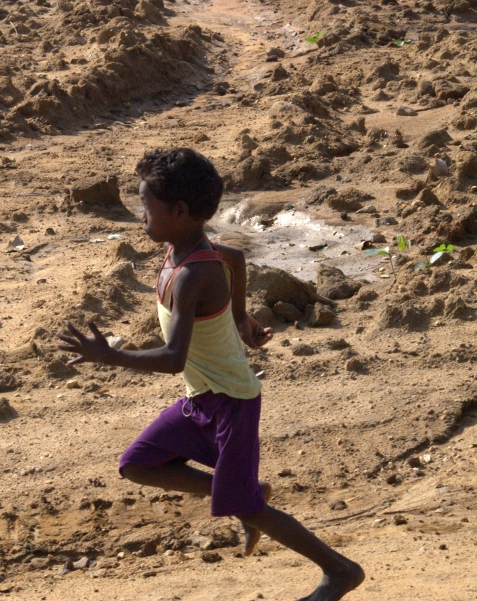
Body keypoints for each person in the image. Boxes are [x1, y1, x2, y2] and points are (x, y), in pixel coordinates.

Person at [57, 148, 364, 601]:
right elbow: (236, 259)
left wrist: (110, 357)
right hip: (202, 399)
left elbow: (172, 358)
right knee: (137, 464)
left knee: (248, 508)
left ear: (179, 212)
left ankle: (340, 571)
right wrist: (239, 318)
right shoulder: (186, 249)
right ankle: (241, 489)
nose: (141, 216)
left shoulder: (191, 273)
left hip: (231, 403)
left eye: (147, 207)